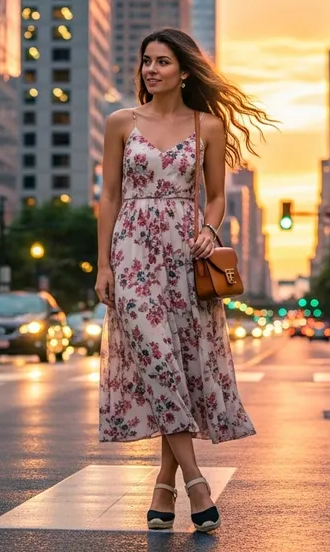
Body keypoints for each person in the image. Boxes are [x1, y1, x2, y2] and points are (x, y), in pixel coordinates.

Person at [95, 28, 275, 533]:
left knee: (179, 369)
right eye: (146, 61)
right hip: (132, 253)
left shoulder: (207, 126)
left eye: (162, 62)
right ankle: (196, 482)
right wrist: (103, 265)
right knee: (156, 359)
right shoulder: (121, 122)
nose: (151, 70)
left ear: (184, 71)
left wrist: (209, 230)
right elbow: (109, 196)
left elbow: (215, 197)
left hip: (184, 256)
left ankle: (163, 484)